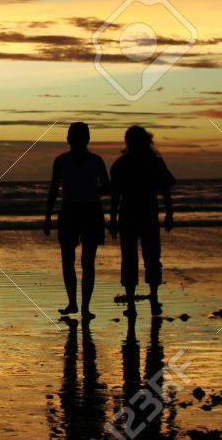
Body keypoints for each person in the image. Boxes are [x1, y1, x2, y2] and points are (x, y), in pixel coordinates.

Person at [44, 121, 110, 321]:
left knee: (76, 262)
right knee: (81, 262)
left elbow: (54, 191)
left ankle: (79, 304)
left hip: (80, 211)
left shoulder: (68, 160)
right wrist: (47, 216)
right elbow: (107, 187)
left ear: (68, 139)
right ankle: (80, 305)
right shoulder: (88, 161)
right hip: (81, 211)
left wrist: (47, 216)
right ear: (87, 138)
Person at [109, 125, 176, 318]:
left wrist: (113, 219)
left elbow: (115, 195)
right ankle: (149, 299)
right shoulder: (153, 162)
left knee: (135, 258)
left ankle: (135, 302)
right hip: (143, 215)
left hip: (133, 215)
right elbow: (166, 191)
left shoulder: (124, 163)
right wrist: (169, 214)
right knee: (150, 257)